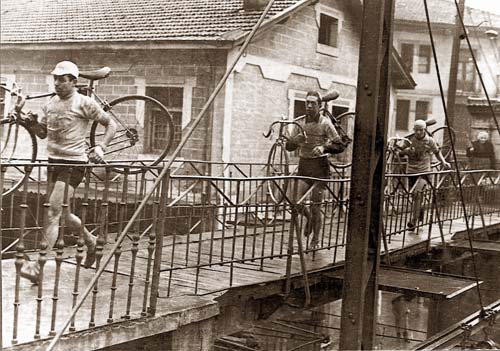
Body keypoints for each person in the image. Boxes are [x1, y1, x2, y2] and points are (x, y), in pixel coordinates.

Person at [19, 61, 117, 284]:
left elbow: (110, 124)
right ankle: (91, 243)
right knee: (63, 213)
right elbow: (43, 134)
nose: (57, 83)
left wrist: (101, 147)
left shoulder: (84, 102)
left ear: (74, 82)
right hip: (53, 162)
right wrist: (31, 124)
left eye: (62, 80)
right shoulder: (50, 103)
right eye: (55, 79)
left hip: (73, 164)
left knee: (52, 213)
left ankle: (37, 267)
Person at [285, 90, 345, 248]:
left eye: (313, 103)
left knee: (315, 205)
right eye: (307, 103)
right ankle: (309, 218)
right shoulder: (300, 123)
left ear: (319, 105)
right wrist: (294, 141)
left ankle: (316, 240)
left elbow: (340, 146)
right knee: (295, 202)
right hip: (304, 166)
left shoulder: (325, 123)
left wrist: (324, 148)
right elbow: (289, 147)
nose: (309, 106)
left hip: (320, 168)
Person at [397, 119, 451, 232]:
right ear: (414, 130)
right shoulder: (409, 140)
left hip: (424, 171)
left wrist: (443, 162)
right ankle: (419, 213)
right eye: (416, 130)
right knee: (415, 196)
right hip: (411, 171)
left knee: (417, 194)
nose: (418, 133)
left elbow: (437, 152)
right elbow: (399, 153)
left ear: (424, 130)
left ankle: (413, 222)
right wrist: (406, 152)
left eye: (420, 130)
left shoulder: (430, 140)